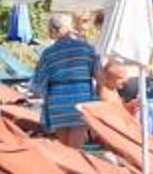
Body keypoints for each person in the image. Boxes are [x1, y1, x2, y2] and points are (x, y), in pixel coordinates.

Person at [32, 14, 101, 144]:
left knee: (65, 148)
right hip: (82, 101)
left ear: (55, 30)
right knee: (75, 148)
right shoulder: (87, 49)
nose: (49, 34)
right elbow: (99, 76)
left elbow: (38, 83)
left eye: (50, 30)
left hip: (58, 103)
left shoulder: (48, 53)